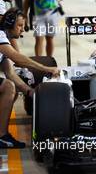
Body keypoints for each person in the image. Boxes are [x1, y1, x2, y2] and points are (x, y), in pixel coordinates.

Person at [0, 8, 60, 148]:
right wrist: (47, 69)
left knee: (11, 89)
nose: (23, 30)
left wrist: (30, 92)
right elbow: (18, 59)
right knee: (8, 87)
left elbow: (11, 73)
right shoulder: (1, 36)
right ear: (9, 24)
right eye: (20, 25)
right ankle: (2, 136)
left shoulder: (4, 39)